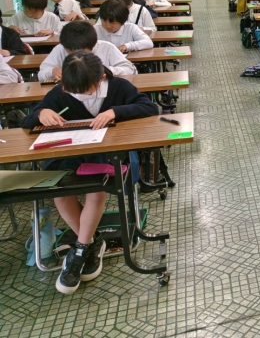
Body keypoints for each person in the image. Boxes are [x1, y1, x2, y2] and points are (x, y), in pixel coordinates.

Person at [22, 51, 159, 294]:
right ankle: (91, 242)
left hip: (105, 158)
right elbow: (28, 120)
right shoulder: (61, 92)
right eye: (71, 91)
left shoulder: (118, 87)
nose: (77, 95)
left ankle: (80, 250)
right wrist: (41, 114)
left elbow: (149, 107)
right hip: (71, 156)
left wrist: (115, 112)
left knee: (95, 191)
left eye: (85, 91)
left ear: (101, 77)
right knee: (61, 193)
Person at [39, 20, 136, 81]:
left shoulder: (107, 47)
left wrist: (106, 70)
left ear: (93, 45)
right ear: (65, 47)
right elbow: (40, 74)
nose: (78, 56)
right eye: (71, 52)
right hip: (71, 93)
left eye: (83, 52)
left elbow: (131, 70)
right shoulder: (60, 48)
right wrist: (52, 71)